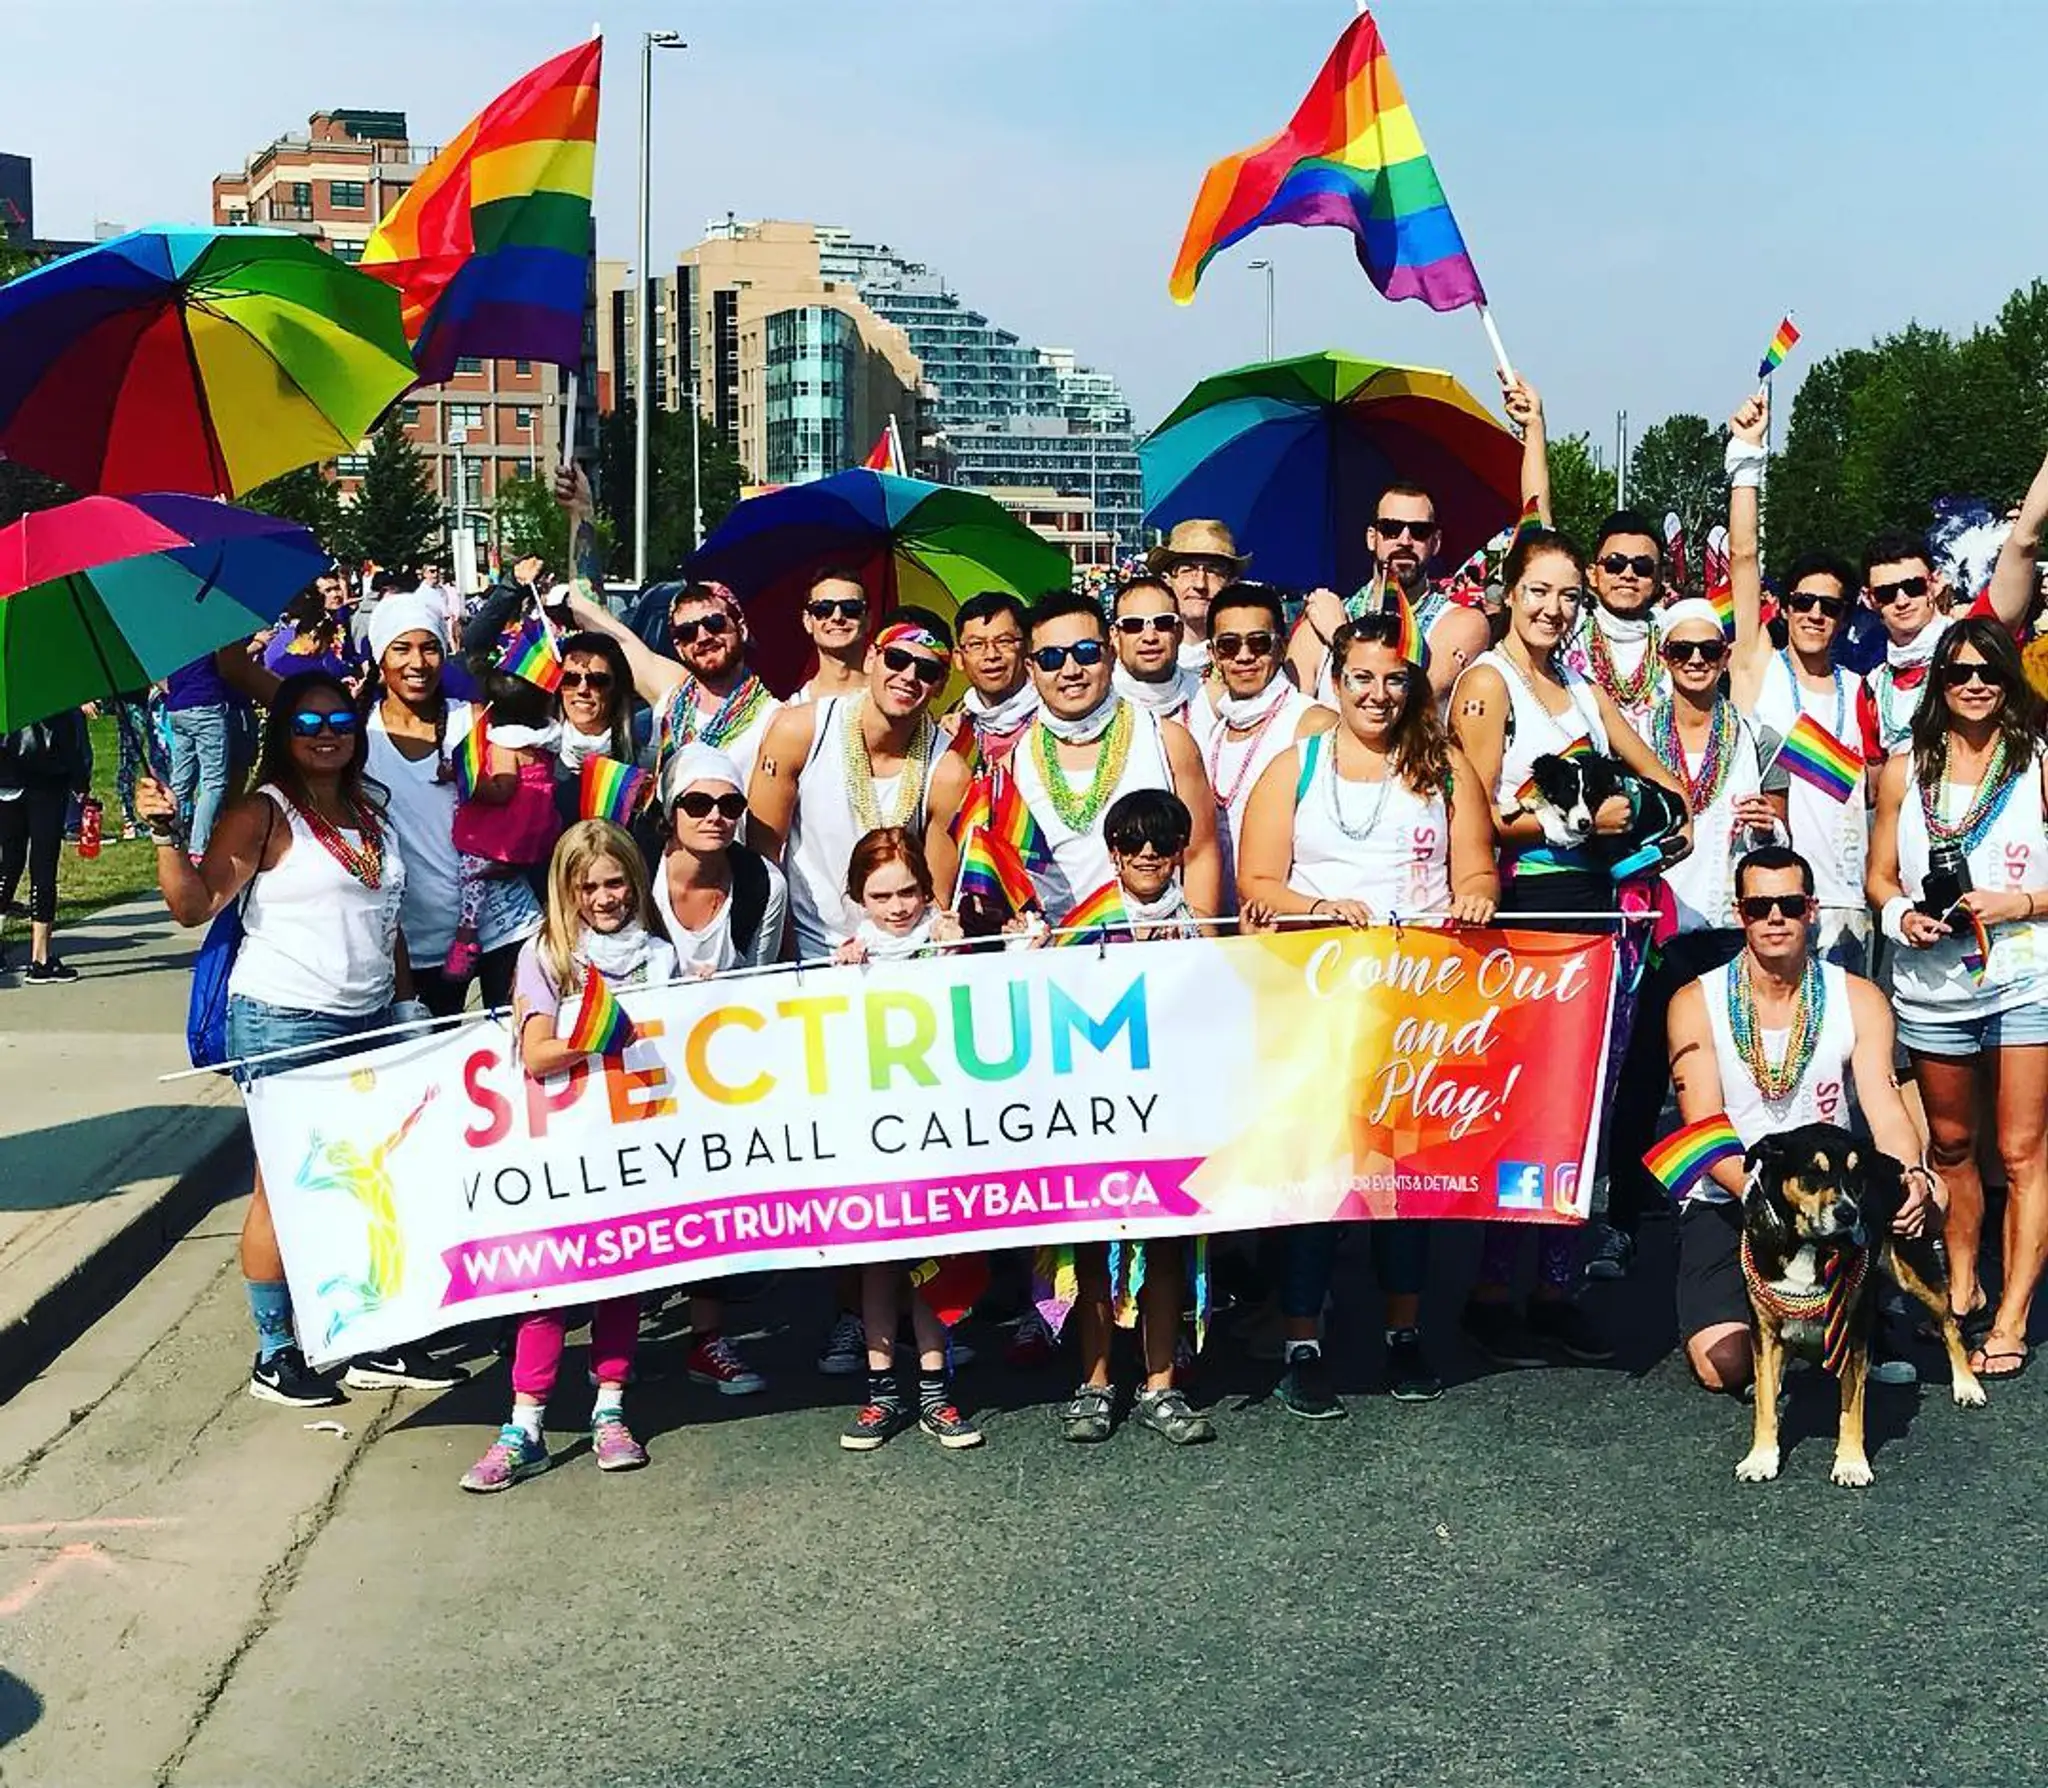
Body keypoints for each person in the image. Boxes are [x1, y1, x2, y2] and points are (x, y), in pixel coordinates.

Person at [136, 671, 462, 1405]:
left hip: (372, 1018)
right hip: (285, 1020)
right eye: (307, 723)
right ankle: (276, 1350)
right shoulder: (262, 813)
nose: (326, 734)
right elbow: (193, 905)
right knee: (283, 1186)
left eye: (339, 720)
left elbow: (387, 920)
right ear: (283, 734)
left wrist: (406, 1007)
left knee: (375, 1180)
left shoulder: (368, 810)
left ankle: (373, 1336)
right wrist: (163, 832)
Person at [1238, 616, 1500, 1413]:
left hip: (1415, 1001)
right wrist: (1321, 904)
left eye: (1393, 679)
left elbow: (1480, 867)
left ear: (1412, 682)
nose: (1378, 694)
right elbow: (1256, 881)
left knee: (1403, 1177)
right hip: (1319, 999)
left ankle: (1403, 1332)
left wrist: (1477, 898)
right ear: (1337, 682)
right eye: (1361, 678)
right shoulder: (1295, 767)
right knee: (1318, 1176)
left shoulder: (1444, 766)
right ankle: (1303, 1340)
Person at [1450, 529, 1689, 1364]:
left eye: (1567, 597)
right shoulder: (1489, 683)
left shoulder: (1582, 688)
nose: (1554, 609)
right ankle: (1489, 1286)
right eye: (1539, 591)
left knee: (1585, 1102)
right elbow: (1470, 810)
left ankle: (1556, 1286)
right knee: (1522, 1104)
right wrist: (1577, 818)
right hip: (1528, 906)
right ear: (1510, 594)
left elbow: (1661, 778)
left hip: (1603, 911)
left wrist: (1646, 811)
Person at [1665, 846, 1939, 1394]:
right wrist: (1770, 1205)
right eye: (1759, 906)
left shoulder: (1856, 997)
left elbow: (1885, 1107)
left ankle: (1858, 1311)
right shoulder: (1696, 1001)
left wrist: (1911, 1174)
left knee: (1933, 1198)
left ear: (1811, 909)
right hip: (1737, 1198)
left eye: (1789, 904)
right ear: (1739, 912)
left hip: (1828, 1195)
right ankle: (1795, 1318)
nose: (1774, 918)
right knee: (1723, 1369)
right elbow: (1702, 1127)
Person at [461, 819, 673, 1490]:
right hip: (566, 1144)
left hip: (639, 1137)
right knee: (548, 1286)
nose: (606, 898)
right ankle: (525, 1425)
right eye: (590, 887)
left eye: (616, 883)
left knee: (622, 1278)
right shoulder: (547, 956)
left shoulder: (659, 954)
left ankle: (610, 1409)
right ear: (568, 891)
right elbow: (536, 1052)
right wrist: (600, 1038)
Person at [1868, 618, 2048, 1380]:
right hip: (1932, 981)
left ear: (2010, 681)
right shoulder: (1906, 770)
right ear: (1939, 683)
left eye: (1990, 673)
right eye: (1959, 672)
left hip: (2025, 973)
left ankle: (2012, 1314)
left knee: (2020, 1150)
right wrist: (1897, 916)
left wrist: (2022, 903)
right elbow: (1879, 876)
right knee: (1949, 1146)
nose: (1975, 684)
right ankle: (1963, 1277)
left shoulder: (2037, 763)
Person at [1599, 596, 1788, 1279]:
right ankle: (1621, 1220)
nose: (1699, 664)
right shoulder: (1634, 731)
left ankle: (1733, 1215)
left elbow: (1781, 839)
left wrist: (1769, 824)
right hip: (1654, 927)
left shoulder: (1757, 735)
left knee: (1737, 1078)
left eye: (1711, 651)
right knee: (1642, 1077)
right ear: (1663, 659)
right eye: (1683, 652)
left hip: (1728, 928)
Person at [1052, 788, 1214, 1446]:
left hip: (1173, 1113)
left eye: (1163, 844)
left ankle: (1161, 1387)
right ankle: (1093, 1385)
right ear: (1112, 853)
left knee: (1169, 1249)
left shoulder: (1202, 930)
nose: (1148, 855)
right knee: (1094, 1248)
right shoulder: (1077, 928)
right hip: (1097, 1115)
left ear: (1180, 853)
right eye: (1133, 844)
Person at [634, 742, 787, 1397]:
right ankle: (620, 1349)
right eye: (697, 803)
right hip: (634, 1060)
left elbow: (757, 982)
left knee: (708, 1200)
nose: (715, 816)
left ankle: (706, 1338)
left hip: (714, 1062)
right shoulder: (633, 872)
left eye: (729, 805)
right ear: (672, 812)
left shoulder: (761, 883)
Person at [833, 828, 984, 1451]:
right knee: (879, 1261)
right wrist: (838, 975)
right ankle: (881, 1392)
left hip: (938, 1127)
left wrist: (965, 953)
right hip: (872, 1131)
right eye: (881, 895)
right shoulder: (846, 958)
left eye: (909, 893)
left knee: (934, 1259)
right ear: (858, 898)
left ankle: (933, 1388)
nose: (897, 908)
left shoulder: (947, 946)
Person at [1725, 393, 1870, 968]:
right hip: (1772, 903)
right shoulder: (1757, 666)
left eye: (1828, 606)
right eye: (1802, 602)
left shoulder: (1864, 688)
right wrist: (1747, 457)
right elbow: (1742, 558)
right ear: (1782, 608)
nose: (1814, 614)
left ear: (1844, 617)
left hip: (1848, 904)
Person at [746, 607, 971, 960]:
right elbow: (762, 860)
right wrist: (791, 958)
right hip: (807, 953)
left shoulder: (948, 772)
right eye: (896, 659)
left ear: (941, 685)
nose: (908, 676)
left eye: (927, 670)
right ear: (870, 658)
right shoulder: (799, 731)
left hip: (899, 957)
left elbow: (936, 896)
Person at [363, 591, 541, 1015]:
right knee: (435, 1076)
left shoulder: (475, 719)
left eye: (430, 648)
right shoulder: (356, 738)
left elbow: (532, 794)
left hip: (505, 927)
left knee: (521, 1063)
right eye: (401, 648)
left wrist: (516, 852)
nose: (418, 663)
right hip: (420, 944)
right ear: (380, 657)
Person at [1008, 590, 1222, 922]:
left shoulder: (1167, 740)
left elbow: (1201, 852)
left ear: (1110, 652)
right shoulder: (1014, 762)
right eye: (1051, 658)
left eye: (1086, 653)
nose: (1071, 670)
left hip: (1156, 952)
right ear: (1030, 668)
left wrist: (1198, 938)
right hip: (1057, 958)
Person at [561, 569, 783, 793]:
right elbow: (587, 609)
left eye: (715, 623)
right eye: (687, 632)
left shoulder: (774, 718)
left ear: (741, 629)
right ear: (678, 646)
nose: (703, 637)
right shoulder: (674, 698)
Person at [1286, 483, 1491, 702]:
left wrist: (1340, 636)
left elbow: (1411, 702)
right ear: (1372, 538)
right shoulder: (1319, 621)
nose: (1405, 541)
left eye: (1419, 531)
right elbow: (1293, 718)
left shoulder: (1462, 623)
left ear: (1436, 542)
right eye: (1391, 529)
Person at [1196, 581, 1334, 891]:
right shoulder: (1216, 730)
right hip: (1227, 919)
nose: (1244, 656)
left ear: (1281, 647)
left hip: (1289, 921)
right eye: (1229, 645)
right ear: (1213, 654)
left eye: (1258, 643)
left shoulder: (1313, 723)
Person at [446, 667, 563, 977]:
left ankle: (466, 936)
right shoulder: (541, 741)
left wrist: (466, 779)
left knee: (472, 873)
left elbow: (502, 789)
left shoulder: (504, 743)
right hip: (534, 829)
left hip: (505, 830)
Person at [0, 709, 91, 983]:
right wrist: (80, 781)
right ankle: (40, 957)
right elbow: (67, 739)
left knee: (8, 864)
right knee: (43, 865)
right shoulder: (51, 694)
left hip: (6, 780)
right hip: (45, 777)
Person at [942, 590, 1039, 770]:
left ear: (1027, 647)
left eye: (1004, 641)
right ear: (959, 658)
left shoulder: (1054, 716)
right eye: (976, 645)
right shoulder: (954, 726)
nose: (991, 655)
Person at [1109, 575, 1208, 739]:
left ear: (1179, 632)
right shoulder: (1096, 702)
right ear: (1115, 636)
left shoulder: (1209, 698)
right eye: (1133, 625)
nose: (1150, 637)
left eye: (1163, 623)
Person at [1147, 519, 1247, 678]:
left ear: (1231, 583)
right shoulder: (1144, 652)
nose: (1200, 584)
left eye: (1213, 571)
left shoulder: (1249, 656)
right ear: (1167, 581)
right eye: (1187, 570)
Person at [163, 649, 236, 857]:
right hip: (205, 705)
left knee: (181, 779)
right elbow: (230, 667)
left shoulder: (175, 637)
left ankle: (169, 837)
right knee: (214, 782)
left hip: (177, 707)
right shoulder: (209, 636)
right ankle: (198, 847)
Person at [261, 570, 361, 686]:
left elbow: (333, 663)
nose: (336, 594)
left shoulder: (339, 618)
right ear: (316, 597)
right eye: (328, 591)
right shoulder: (301, 632)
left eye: (337, 588)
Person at [794, 567, 871, 702]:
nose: (837, 617)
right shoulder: (791, 709)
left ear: (868, 620)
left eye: (851, 608)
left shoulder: (888, 700)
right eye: (823, 609)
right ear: (807, 621)